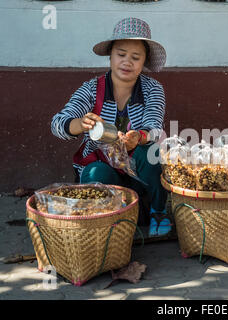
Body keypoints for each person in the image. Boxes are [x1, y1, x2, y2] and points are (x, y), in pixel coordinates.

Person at [51, 17, 170, 237]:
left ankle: (158, 212)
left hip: (139, 172)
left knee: (152, 152)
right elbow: (58, 123)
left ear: (144, 62)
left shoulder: (153, 89)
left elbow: (155, 127)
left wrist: (140, 137)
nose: (127, 62)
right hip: (103, 167)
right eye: (121, 54)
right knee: (96, 172)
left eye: (136, 57)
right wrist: (79, 124)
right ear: (111, 56)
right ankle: (108, 221)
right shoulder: (91, 89)